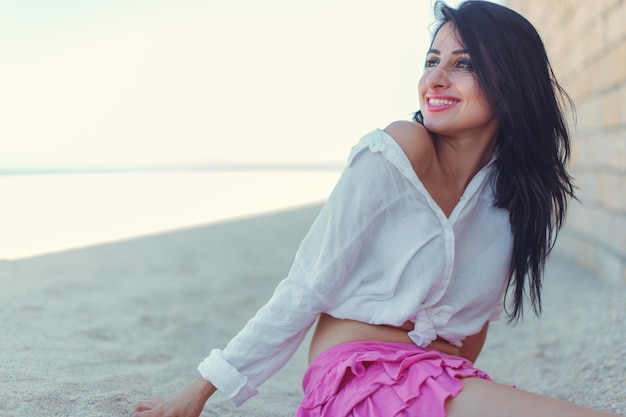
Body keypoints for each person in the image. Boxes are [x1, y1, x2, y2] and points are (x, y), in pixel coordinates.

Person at [133, 1, 623, 416]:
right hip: (361, 377)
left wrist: (469, 384)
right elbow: (307, 284)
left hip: (443, 380)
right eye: (432, 60)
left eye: (464, 63)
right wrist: (198, 392)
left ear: (514, 82)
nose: (436, 78)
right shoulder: (399, 150)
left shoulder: (513, 197)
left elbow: (471, 327)